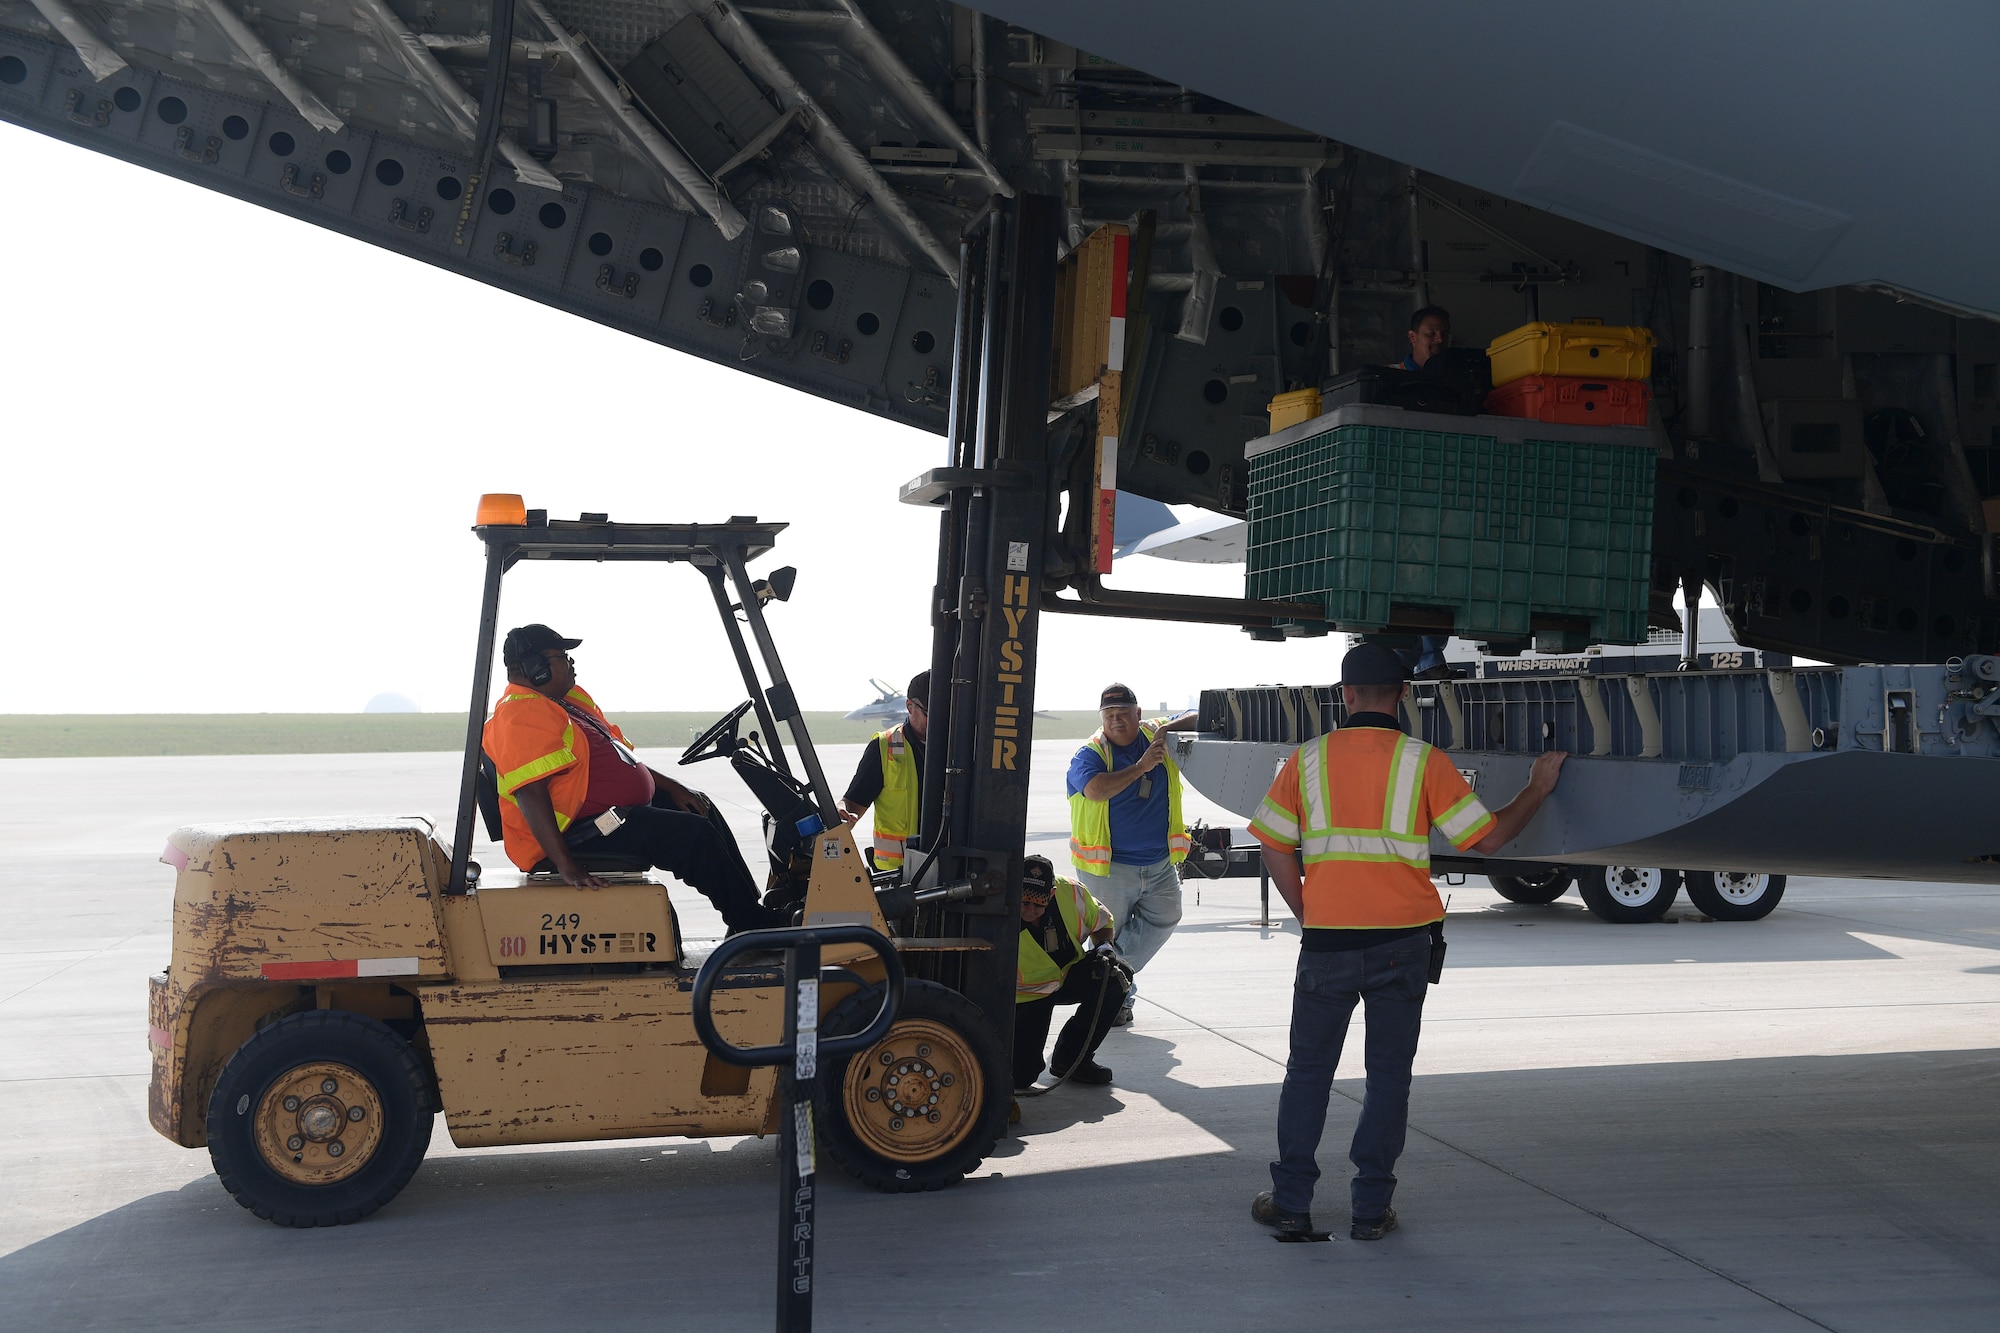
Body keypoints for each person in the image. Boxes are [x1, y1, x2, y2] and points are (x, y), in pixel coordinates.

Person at [1247, 642, 1565, 1242]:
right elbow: (1488, 842)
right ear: (1403, 695)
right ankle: (1370, 1210)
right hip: (1402, 945)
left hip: (1327, 944)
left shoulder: (1306, 761)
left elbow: (1272, 845)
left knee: (1308, 1072)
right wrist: (1537, 788)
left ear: (1344, 695)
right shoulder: (1425, 762)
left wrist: (1310, 910)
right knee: (1388, 1077)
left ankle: (1291, 1201)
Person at [482, 623, 778, 934]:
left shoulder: (565, 703)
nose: (571, 665)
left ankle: (749, 913)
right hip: (578, 833)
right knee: (693, 834)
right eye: (563, 657)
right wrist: (566, 866)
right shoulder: (521, 715)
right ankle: (749, 923)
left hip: (606, 818)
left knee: (698, 806)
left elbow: (621, 757)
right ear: (536, 668)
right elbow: (530, 794)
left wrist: (674, 788)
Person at [1066, 684, 1197, 1026]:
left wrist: (1170, 729)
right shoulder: (1091, 752)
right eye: (1109, 716)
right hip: (1109, 868)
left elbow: (1198, 717)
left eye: (1123, 714)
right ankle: (1109, 1003)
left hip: (1158, 863)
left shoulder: (1155, 733)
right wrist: (1141, 766)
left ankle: (1108, 978)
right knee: (1107, 933)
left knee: (1166, 915)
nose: (1116, 722)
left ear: (1138, 715)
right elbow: (1094, 790)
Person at [1014, 855, 1126, 1090]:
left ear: (1052, 894)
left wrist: (1104, 948)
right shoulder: (996, 909)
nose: (1030, 910)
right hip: (1025, 997)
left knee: (1115, 975)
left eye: (1038, 904)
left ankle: (1072, 1059)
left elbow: (1104, 923)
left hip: (1064, 976)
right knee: (1021, 1077)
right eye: (1024, 903)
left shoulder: (1072, 893)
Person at [839, 670, 928, 874]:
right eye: (929, 713)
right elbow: (853, 802)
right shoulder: (884, 747)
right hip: (899, 875)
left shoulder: (964, 746)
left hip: (953, 867)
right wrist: (842, 811)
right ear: (909, 707)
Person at [1401, 304, 1450, 371]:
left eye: (1444, 334)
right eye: (1431, 334)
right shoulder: (1389, 374)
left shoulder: (1457, 375)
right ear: (1412, 337)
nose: (1440, 339)